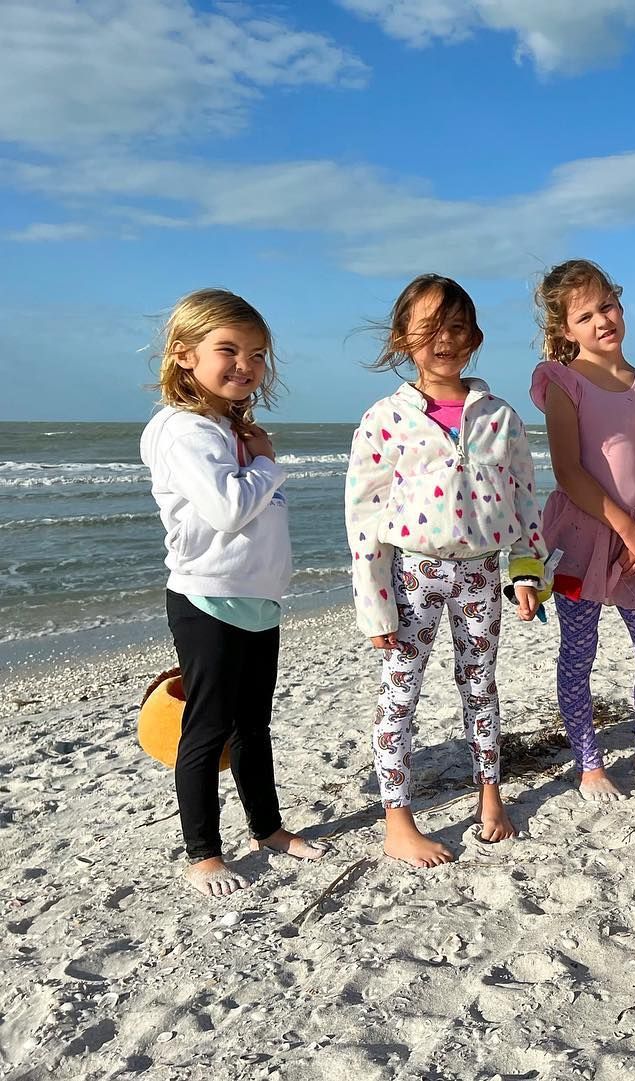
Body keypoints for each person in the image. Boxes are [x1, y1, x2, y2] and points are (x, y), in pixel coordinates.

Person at [345, 274, 546, 867]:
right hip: (413, 574)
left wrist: (527, 571)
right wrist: (374, 601)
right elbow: (364, 514)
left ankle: (491, 794)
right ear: (403, 338)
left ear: (475, 336)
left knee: (480, 687)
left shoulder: (498, 416)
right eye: (428, 327)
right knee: (400, 693)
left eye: (456, 327)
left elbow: (524, 499)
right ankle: (397, 819)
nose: (443, 340)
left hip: (482, 572)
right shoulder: (386, 418)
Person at [140, 288, 326, 897]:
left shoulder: (227, 426)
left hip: (255, 599)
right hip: (206, 596)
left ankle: (267, 828)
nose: (245, 363)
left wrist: (258, 461)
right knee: (208, 726)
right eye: (229, 349)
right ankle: (202, 853)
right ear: (185, 355)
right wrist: (269, 465)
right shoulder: (184, 429)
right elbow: (226, 509)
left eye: (257, 353)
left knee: (254, 725)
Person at [531, 259, 635, 801]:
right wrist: (624, 526)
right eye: (585, 315)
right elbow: (568, 472)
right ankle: (589, 763)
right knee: (579, 653)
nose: (602, 320)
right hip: (583, 538)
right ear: (565, 330)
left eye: (607, 305)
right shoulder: (563, 381)